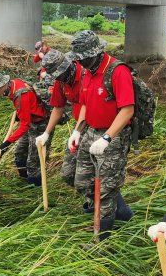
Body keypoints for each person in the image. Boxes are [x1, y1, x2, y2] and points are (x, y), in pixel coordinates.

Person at [36, 49, 133, 221]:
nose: (60, 79)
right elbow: (58, 107)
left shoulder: (87, 73)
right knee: (69, 174)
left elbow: (120, 108)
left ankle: (115, 211)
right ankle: (97, 202)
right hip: (82, 128)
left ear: (69, 66)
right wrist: (47, 133)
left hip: (101, 128)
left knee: (105, 178)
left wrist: (105, 137)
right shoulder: (61, 81)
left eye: (61, 74)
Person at [67, 30, 135, 240]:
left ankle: (102, 239)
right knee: (82, 181)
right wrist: (77, 131)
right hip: (90, 131)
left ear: (96, 53)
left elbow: (127, 110)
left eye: (85, 58)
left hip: (113, 135)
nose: (82, 63)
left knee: (104, 189)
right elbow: (86, 103)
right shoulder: (88, 72)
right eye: (80, 60)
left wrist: (107, 138)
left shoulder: (117, 71)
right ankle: (122, 212)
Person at [0, 70, 50, 186]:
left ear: (1, 85)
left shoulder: (21, 95)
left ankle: (35, 190)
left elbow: (24, 125)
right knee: (20, 153)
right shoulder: (13, 85)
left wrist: (7, 142)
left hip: (41, 124)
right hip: (31, 119)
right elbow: (25, 109)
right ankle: (24, 182)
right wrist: (20, 113)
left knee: (34, 162)